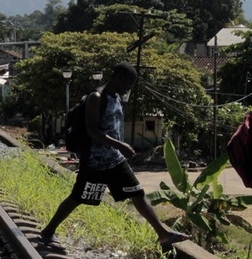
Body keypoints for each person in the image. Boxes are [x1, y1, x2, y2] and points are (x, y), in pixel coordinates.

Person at [39, 62, 190, 251]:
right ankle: (47, 232)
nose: (128, 88)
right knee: (78, 197)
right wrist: (120, 145)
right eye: (128, 83)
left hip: (115, 160)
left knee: (137, 194)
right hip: (95, 161)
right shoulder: (96, 97)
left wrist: (121, 147)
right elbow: (92, 131)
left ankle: (163, 234)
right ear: (119, 78)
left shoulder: (117, 97)